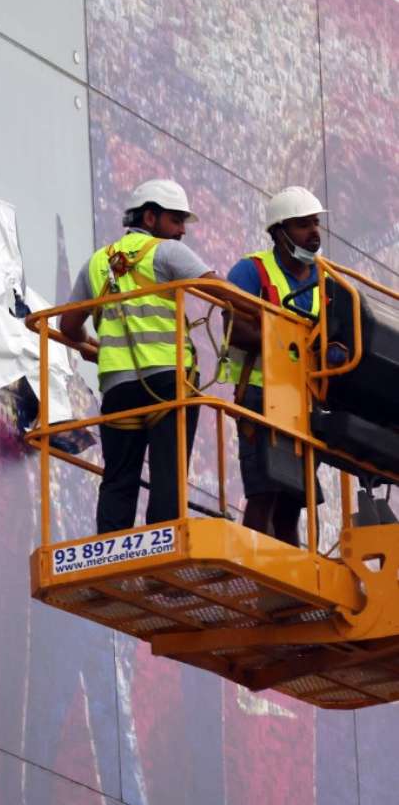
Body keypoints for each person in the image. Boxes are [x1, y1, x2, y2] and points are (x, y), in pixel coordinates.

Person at [60, 178, 217, 534]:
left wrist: (94, 347)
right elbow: (220, 291)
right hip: (167, 382)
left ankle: (110, 551)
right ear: (150, 217)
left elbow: (68, 327)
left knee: (118, 477)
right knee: (168, 473)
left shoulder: (97, 263)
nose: (181, 231)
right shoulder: (167, 252)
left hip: (118, 389)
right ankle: (164, 548)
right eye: (176, 220)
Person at [225, 186, 326, 547]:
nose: (313, 232)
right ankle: (256, 570)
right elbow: (234, 328)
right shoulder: (251, 271)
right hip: (259, 395)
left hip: (305, 401)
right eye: (302, 225)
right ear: (279, 232)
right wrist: (291, 339)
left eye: (315, 223)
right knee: (264, 492)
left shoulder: (326, 280)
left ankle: (292, 584)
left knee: (292, 502)